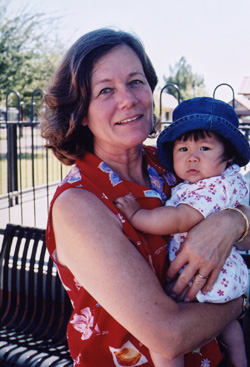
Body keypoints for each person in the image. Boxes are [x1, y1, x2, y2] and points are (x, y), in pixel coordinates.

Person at [40, 28, 250, 367]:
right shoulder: (79, 202)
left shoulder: (172, 165)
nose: (128, 99)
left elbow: (238, 223)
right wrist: (240, 301)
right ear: (79, 113)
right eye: (106, 90)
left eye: (136, 81)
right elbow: (169, 335)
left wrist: (232, 221)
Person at [115, 97, 250, 367]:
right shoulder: (228, 181)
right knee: (230, 327)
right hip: (227, 277)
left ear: (230, 155)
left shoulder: (209, 189)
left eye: (205, 147)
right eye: (183, 148)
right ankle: (240, 360)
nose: (192, 157)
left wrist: (137, 215)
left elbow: (178, 219)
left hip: (206, 280)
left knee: (165, 348)